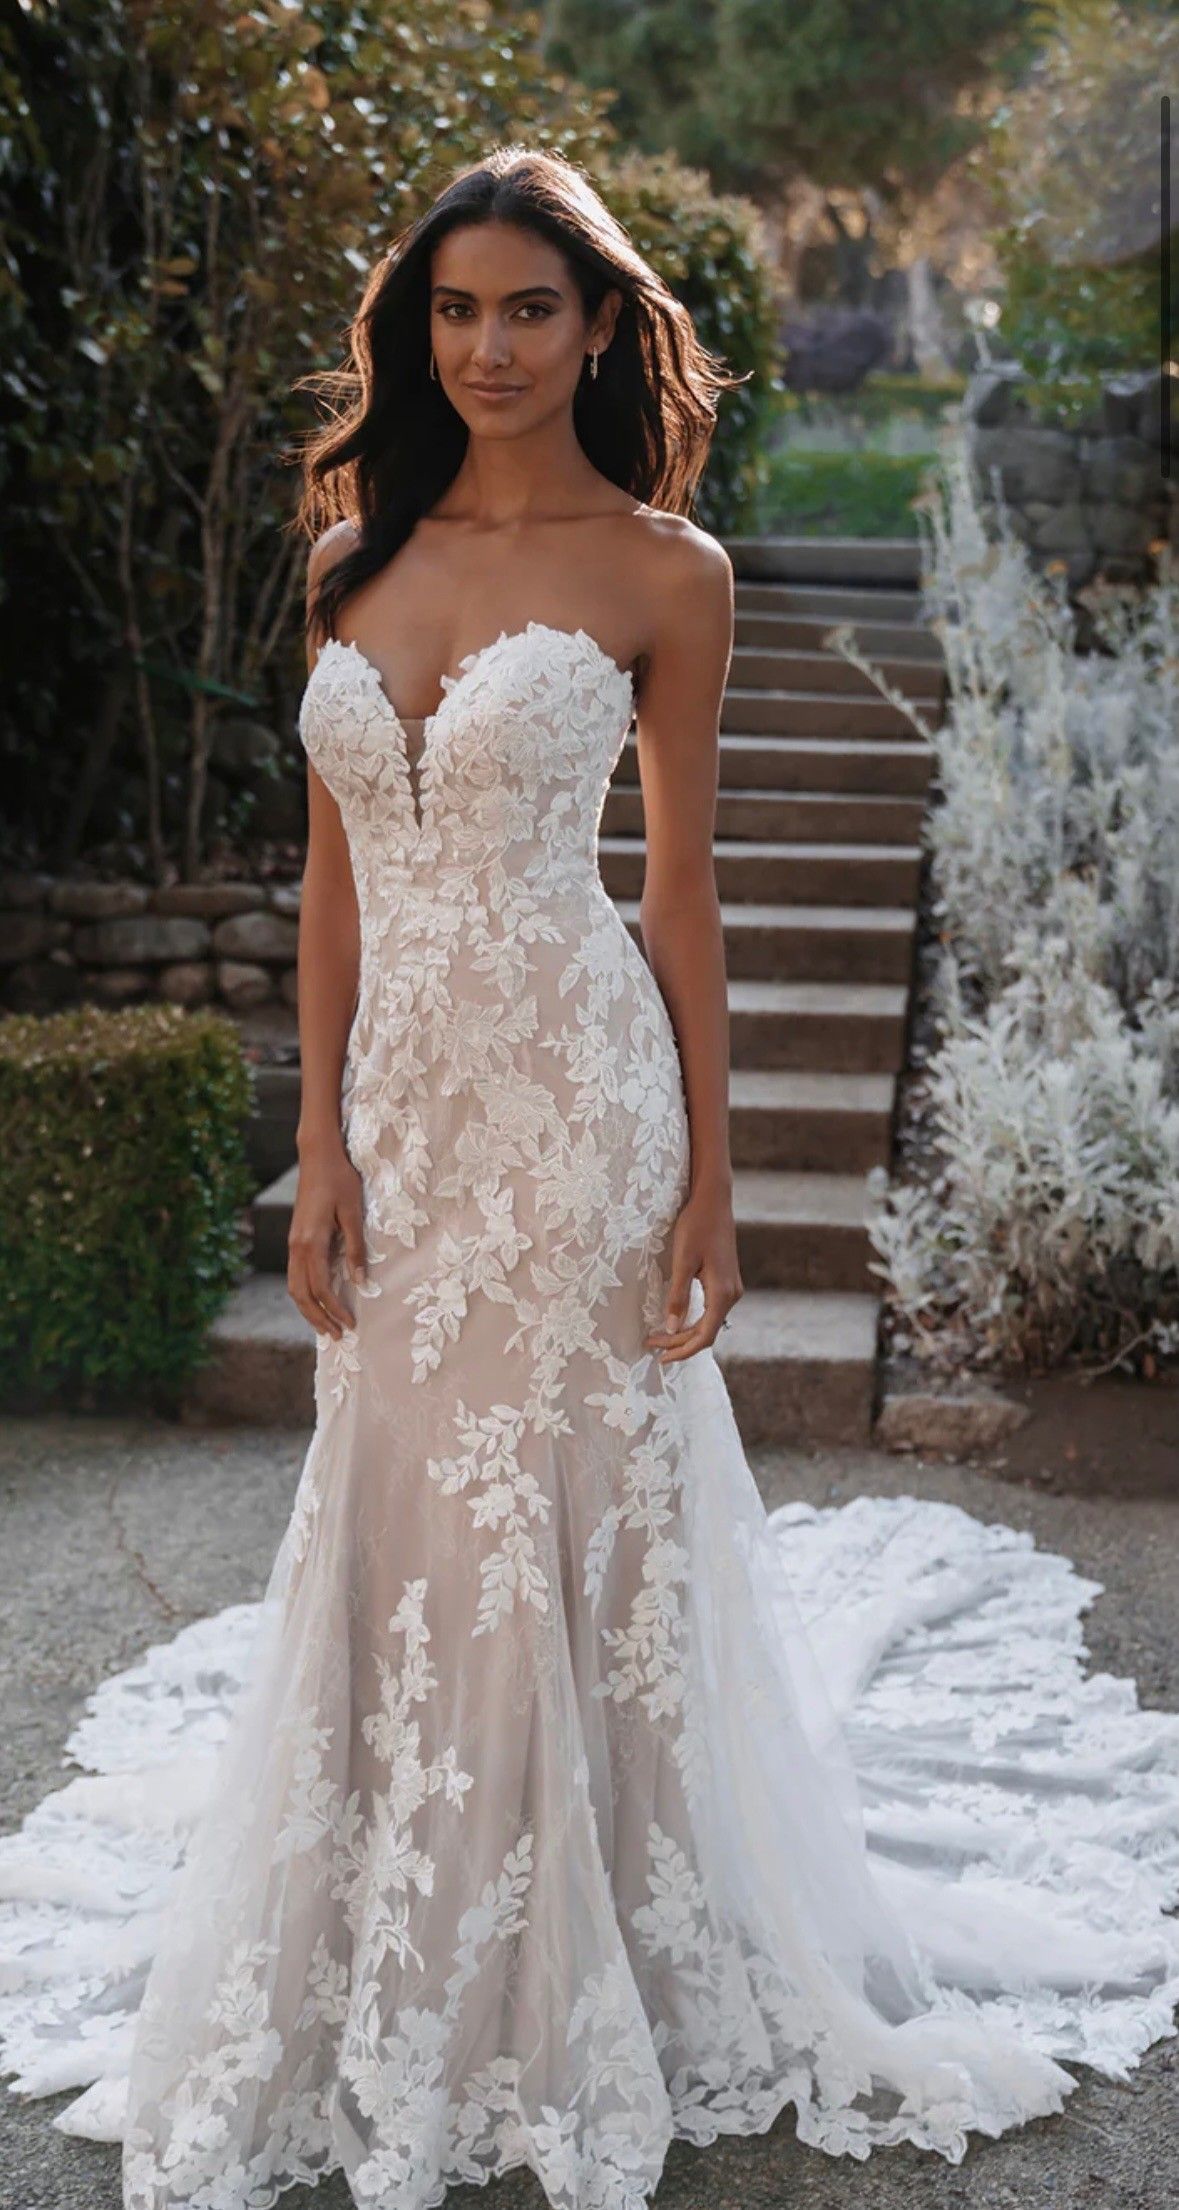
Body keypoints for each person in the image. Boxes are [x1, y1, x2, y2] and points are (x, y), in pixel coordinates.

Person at [2, 143, 1179, 2210]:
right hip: (412, 1112)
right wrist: (317, 1137)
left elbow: (685, 896)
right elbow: (333, 879)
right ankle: (401, 1922)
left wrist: (713, 1180)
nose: (486, 347)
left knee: (557, 1493)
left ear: (597, 322)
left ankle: (590, 1946)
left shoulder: (667, 573)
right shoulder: (347, 555)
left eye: (526, 309)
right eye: (452, 309)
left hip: (574, 1094)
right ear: (414, 324)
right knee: (404, 1497)